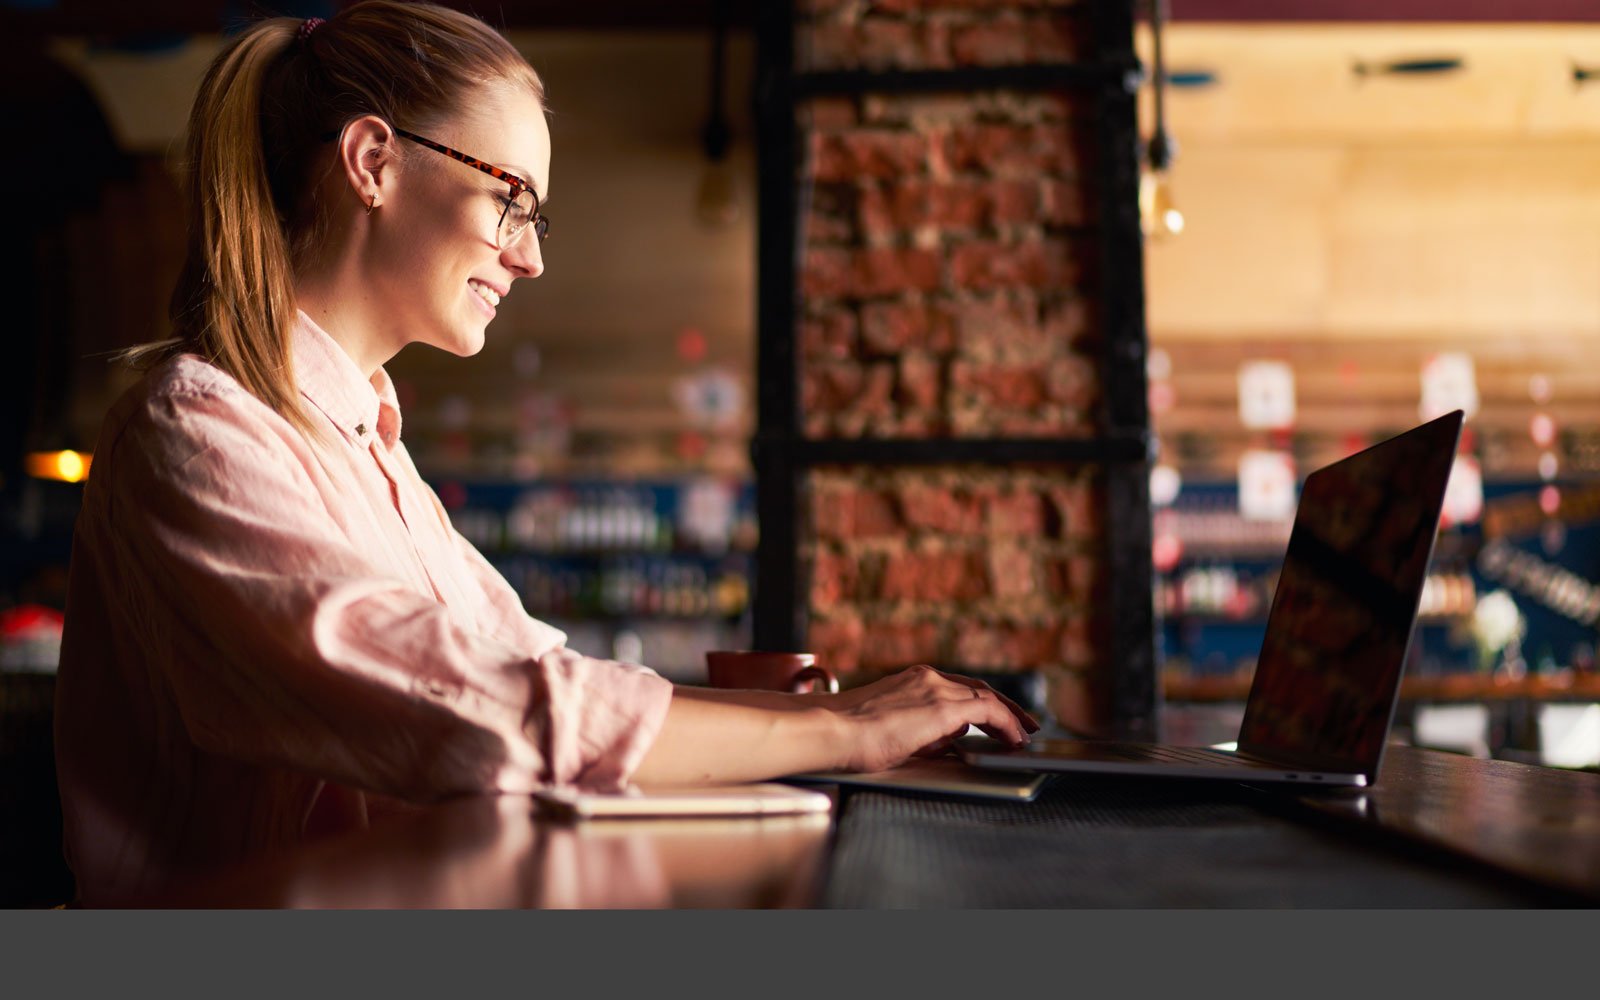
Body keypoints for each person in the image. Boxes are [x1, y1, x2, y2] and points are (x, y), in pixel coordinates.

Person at [52, 0, 1036, 907]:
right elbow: (486, 713)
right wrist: (847, 730)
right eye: (512, 200)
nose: (530, 256)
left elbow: (535, 672)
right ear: (372, 160)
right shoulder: (195, 429)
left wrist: (802, 724)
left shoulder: (367, 444)